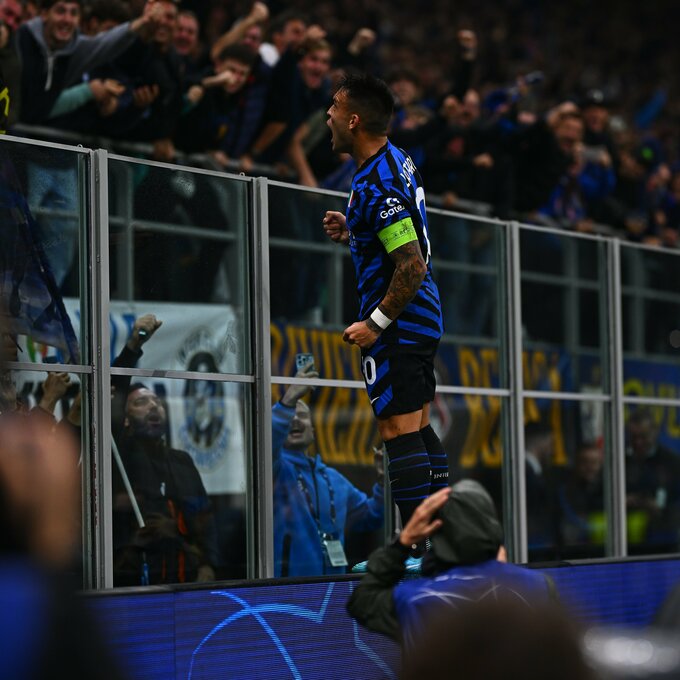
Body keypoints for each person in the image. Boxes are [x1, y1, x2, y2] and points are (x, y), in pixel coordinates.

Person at [323, 73, 449, 541]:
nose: (328, 116)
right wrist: (356, 230)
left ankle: (419, 550)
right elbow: (398, 232)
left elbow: (411, 264)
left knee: (398, 431)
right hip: (422, 316)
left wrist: (375, 324)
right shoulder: (396, 158)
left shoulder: (377, 184)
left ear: (354, 120)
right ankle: (442, 541)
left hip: (400, 323)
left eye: (335, 107)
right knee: (417, 425)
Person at [347, 480, 556, 651]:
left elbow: (362, 601)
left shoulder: (415, 599)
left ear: (439, 539)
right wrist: (502, 573)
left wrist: (402, 544)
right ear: (492, 527)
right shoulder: (539, 586)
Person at [272, 364, 384, 577]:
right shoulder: (274, 469)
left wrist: (382, 482)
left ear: (313, 431)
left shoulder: (334, 479)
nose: (295, 419)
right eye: (290, 415)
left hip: (332, 589)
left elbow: (371, 516)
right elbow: (268, 442)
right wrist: (288, 400)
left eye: (302, 415)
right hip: (288, 590)